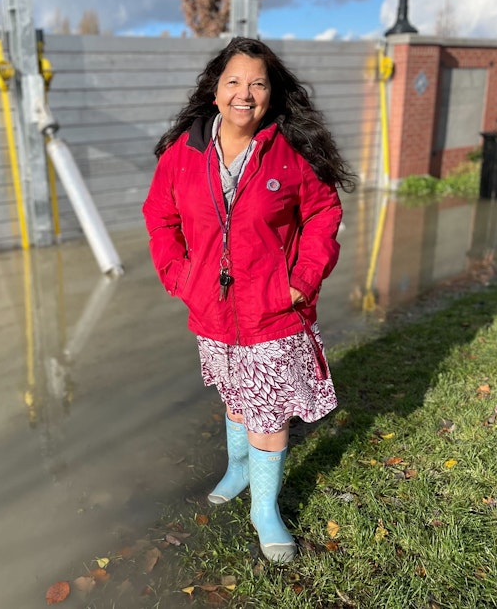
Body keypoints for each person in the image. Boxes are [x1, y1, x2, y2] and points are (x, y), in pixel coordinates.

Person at [142, 37, 356, 562]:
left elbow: (323, 214)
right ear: (214, 92)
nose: (245, 93)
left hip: (274, 310)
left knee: (268, 412)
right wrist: (179, 276)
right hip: (211, 309)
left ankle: (265, 509)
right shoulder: (182, 154)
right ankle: (238, 468)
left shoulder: (291, 151)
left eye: (258, 83)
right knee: (236, 397)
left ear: (271, 94)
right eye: (234, 82)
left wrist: (302, 280)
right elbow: (159, 217)